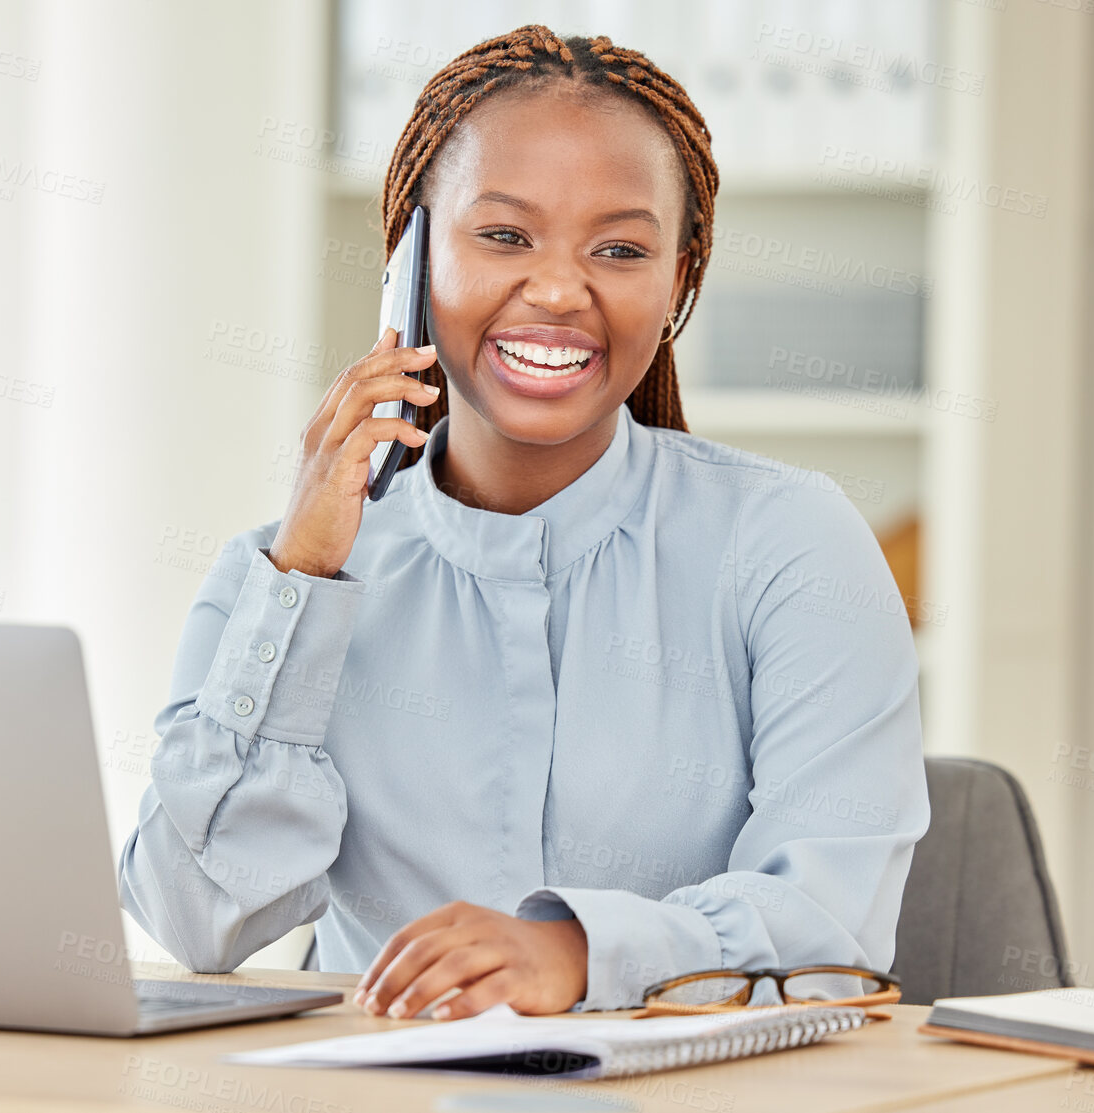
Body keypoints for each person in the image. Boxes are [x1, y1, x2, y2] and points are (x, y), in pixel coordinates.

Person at [117, 25, 930, 1020]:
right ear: (408, 259)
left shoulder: (790, 542)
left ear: (676, 280)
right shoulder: (285, 571)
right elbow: (196, 922)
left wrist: (580, 955)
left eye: (619, 249)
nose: (555, 290)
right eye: (501, 235)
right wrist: (301, 581)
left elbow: (833, 932)